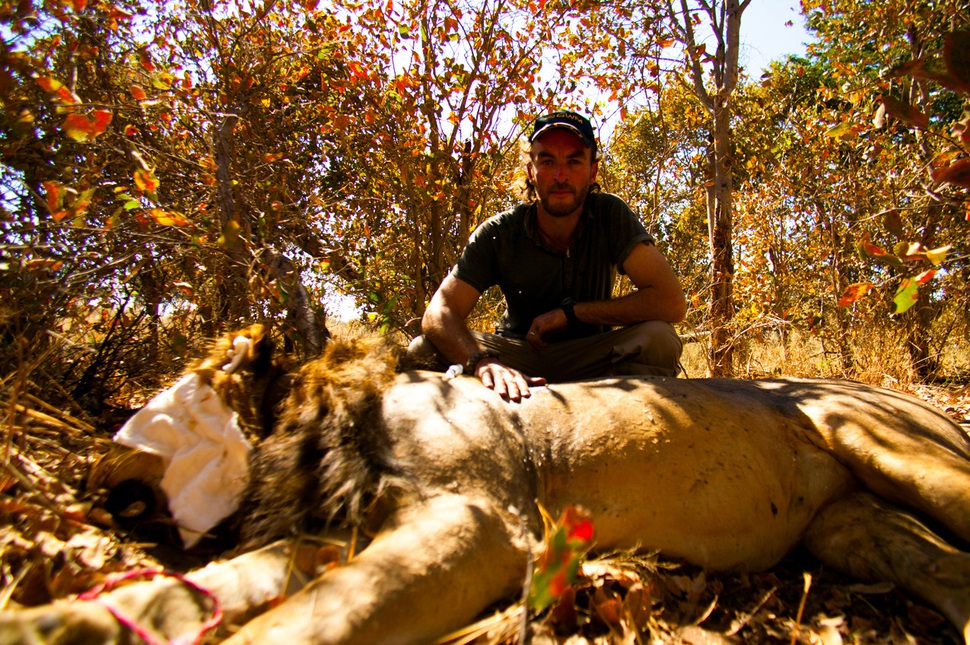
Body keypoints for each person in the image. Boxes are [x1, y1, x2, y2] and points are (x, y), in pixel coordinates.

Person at [408, 109, 686, 401]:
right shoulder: (500, 231)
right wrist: (484, 361)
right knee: (422, 350)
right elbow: (440, 311)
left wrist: (574, 313)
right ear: (530, 170)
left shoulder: (610, 215)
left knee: (659, 339)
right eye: (547, 161)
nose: (560, 176)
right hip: (518, 355)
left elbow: (671, 303)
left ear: (593, 172)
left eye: (574, 161)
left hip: (592, 356)